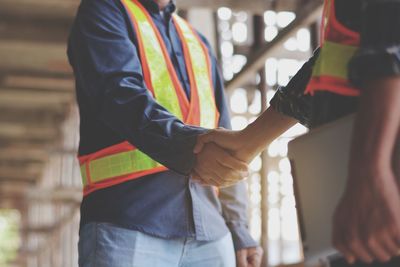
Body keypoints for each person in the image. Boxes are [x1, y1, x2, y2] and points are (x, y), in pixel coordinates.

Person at [194, 0, 400, 264]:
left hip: (378, 189)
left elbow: (390, 54)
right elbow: (328, 63)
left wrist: (371, 174)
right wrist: (249, 142)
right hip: (356, 182)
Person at [67, 0, 262, 266]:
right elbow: (118, 95)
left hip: (210, 234)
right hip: (129, 223)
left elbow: (227, 141)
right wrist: (189, 148)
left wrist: (239, 227)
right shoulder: (103, 10)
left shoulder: (198, 42)